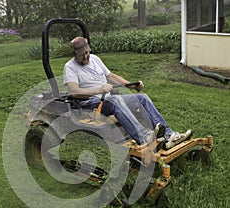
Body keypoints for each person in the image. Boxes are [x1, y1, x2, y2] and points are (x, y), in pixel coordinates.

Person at [63, 36, 191, 148]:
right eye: (82, 55)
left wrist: (131, 86)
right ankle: (144, 137)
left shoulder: (95, 59)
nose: (86, 56)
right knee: (115, 100)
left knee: (142, 98)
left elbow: (111, 76)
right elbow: (74, 92)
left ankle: (169, 135)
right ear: (74, 54)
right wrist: (99, 90)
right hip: (90, 103)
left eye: (87, 52)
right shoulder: (70, 67)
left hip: (107, 99)